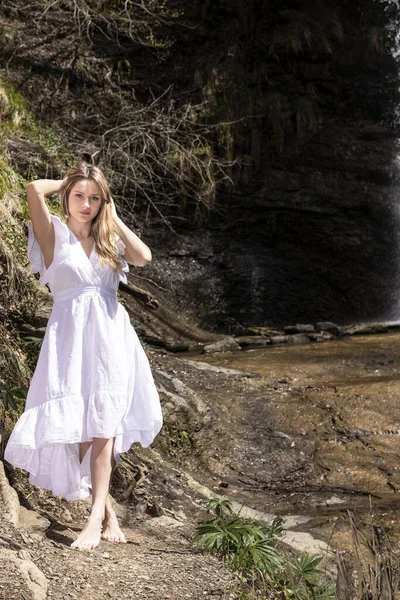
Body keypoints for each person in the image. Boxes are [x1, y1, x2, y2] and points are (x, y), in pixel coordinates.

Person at [4, 160, 163, 550]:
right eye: (79, 196)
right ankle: (105, 507)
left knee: (104, 423)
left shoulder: (109, 238)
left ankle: (93, 519)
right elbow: (31, 189)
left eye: (94, 198)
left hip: (111, 339)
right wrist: (70, 180)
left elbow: (143, 256)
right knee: (78, 429)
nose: (86, 204)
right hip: (69, 341)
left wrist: (113, 212)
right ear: (68, 197)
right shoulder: (53, 237)